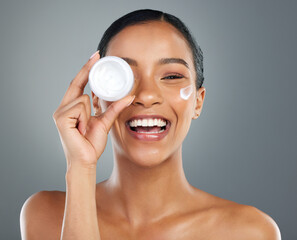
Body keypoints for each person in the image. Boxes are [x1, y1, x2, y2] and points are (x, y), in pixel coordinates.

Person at [20, 9, 281, 240]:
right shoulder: (45, 215)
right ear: (97, 99)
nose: (146, 95)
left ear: (198, 102)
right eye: (125, 75)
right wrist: (80, 168)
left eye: (171, 76)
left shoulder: (250, 232)